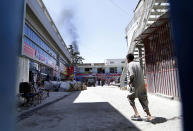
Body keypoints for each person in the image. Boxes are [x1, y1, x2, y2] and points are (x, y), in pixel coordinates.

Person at [126, 53, 153, 121]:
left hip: (135, 85)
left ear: (128, 59)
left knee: (130, 98)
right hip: (142, 84)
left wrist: (129, 82)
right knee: (143, 99)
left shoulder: (129, 64)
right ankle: (149, 115)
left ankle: (137, 114)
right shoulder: (138, 64)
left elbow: (132, 75)